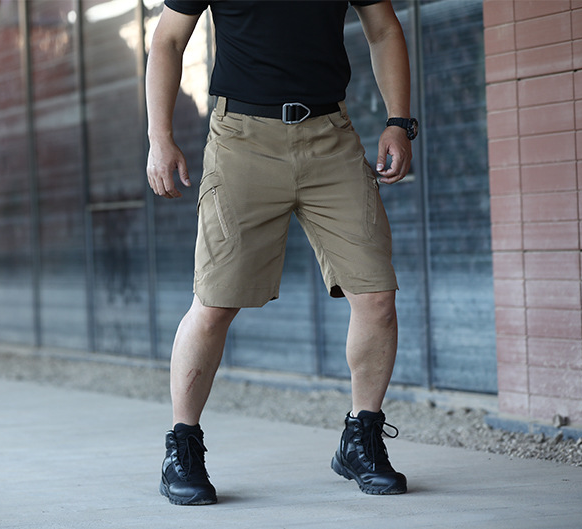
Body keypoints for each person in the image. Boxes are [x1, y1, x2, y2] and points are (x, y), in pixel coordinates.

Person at [145, 0, 418, 505]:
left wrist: (399, 120)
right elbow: (167, 39)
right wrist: (159, 137)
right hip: (242, 140)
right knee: (214, 303)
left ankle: (361, 439)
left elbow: (383, 29)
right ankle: (181, 448)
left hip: (330, 137)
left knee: (377, 295)